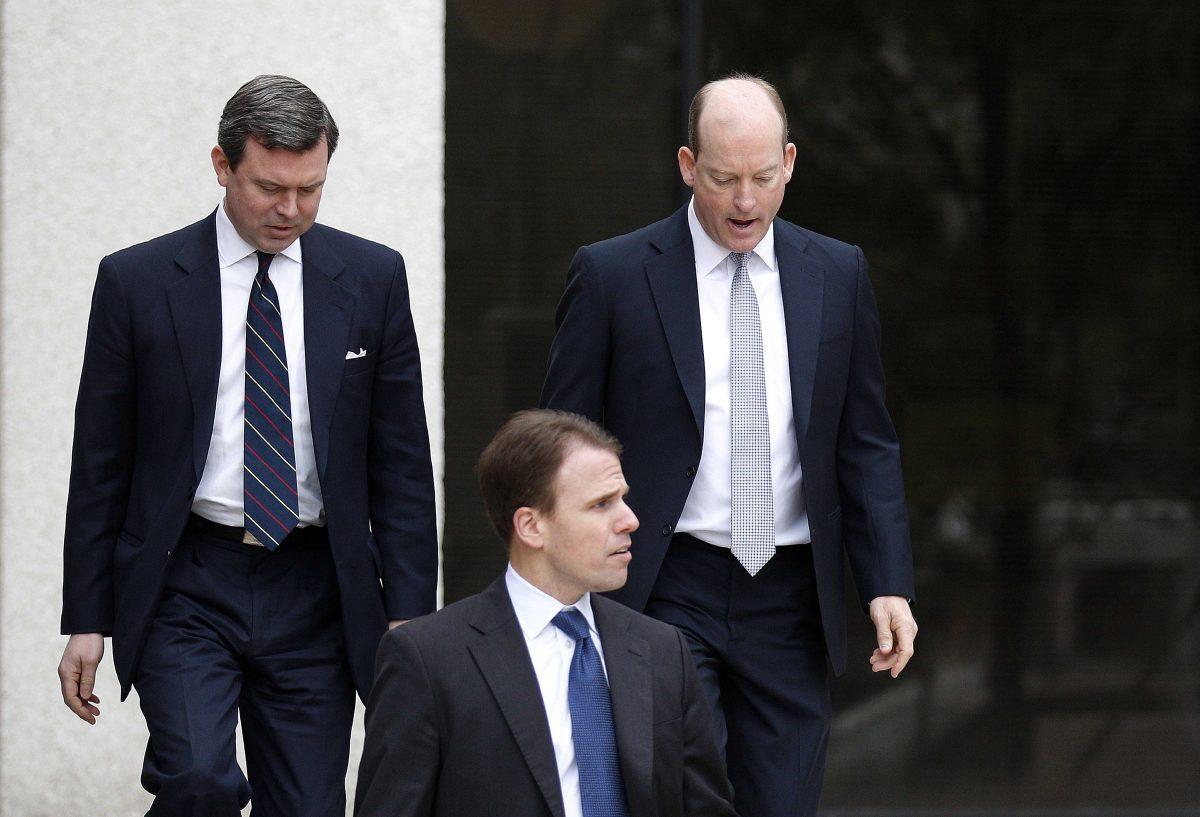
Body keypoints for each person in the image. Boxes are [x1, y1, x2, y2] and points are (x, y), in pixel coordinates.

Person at [55, 75, 438, 817]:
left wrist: (408, 611)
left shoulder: (371, 278)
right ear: (222, 165)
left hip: (318, 585)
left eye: (310, 188)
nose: (290, 209)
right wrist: (86, 616)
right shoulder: (136, 282)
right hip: (187, 578)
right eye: (269, 187)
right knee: (200, 780)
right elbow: (99, 462)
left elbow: (402, 462)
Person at [539, 74, 918, 816]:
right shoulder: (614, 276)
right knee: (678, 797)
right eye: (723, 179)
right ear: (687, 166)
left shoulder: (837, 274)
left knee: (783, 801)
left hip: (792, 593)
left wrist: (888, 580)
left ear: (790, 163)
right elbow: (558, 442)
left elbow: (864, 439)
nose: (745, 201)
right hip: (663, 582)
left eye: (763, 178)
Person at [355, 409, 736, 817]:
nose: (630, 520)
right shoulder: (428, 659)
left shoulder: (662, 650)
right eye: (601, 504)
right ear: (531, 526)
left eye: (622, 498)